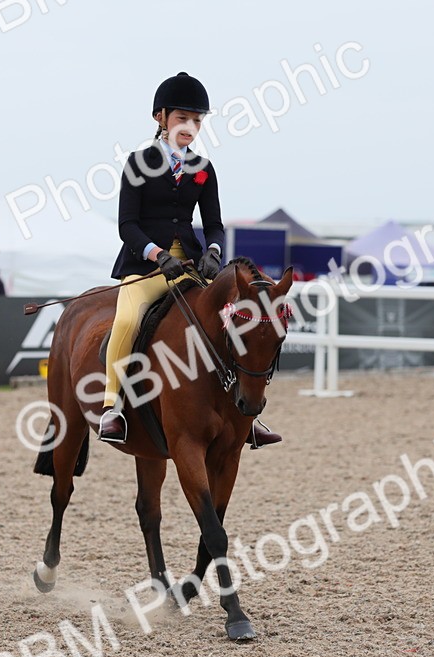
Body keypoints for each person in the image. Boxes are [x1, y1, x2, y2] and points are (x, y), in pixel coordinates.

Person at [98, 71, 281, 448]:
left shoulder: (202, 169)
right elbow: (127, 225)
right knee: (129, 319)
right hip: (145, 266)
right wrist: (157, 254)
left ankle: (249, 414)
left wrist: (213, 252)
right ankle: (112, 407)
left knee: (228, 321)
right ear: (160, 118)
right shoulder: (138, 163)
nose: (190, 127)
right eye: (182, 118)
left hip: (192, 267)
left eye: (197, 121)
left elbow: (214, 225)